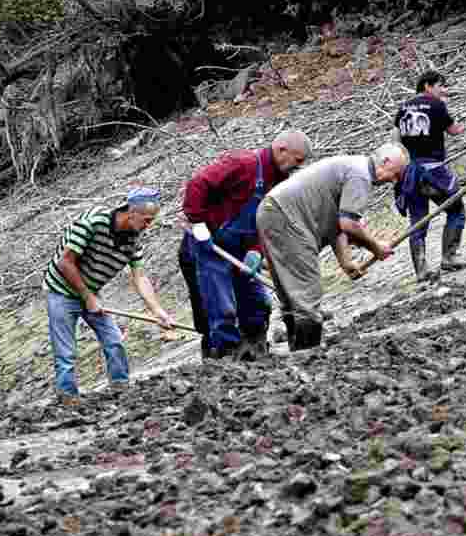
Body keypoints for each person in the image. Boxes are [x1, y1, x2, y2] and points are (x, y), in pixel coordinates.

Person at [256, 143, 408, 350]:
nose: (394, 180)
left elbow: (337, 226)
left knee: (293, 293)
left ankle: (295, 360)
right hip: (286, 217)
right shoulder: (361, 176)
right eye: (396, 174)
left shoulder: (353, 167)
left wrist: (346, 262)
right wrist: (375, 247)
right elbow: (349, 225)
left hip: (274, 212)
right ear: (386, 162)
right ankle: (307, 357)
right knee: (307, 293)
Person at [178, 130, 311, 361]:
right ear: (281, 150)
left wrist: (256, 250)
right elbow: (197, 185)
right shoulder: (243, 163)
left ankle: (256, 349)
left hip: (241, 247)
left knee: (258, 303)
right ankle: (225, 356)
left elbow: (264, 222)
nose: (297, 167)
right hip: (209, 245)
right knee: (222, 307)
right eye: (297, 160)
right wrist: (198, 223)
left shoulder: (279, 184)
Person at [43, 187, 175, 402]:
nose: (149, 226)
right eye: (147, 220)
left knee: (114, 341)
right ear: (131, 212)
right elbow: (65, 263)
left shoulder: (133, 239)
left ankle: (121, 388)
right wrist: (87, 297)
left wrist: (157, 311)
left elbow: (139, 277)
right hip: (61, 291)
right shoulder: (92, 223)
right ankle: (68, 398)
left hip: (90, 292)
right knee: (66, 352)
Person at [392, 70, 466, 282]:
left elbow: (396, 139)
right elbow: (454, 130)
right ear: (428, 86)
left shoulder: (403, 108)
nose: (444, 90)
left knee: (418, 222)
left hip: (411, 172)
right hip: (434, 170)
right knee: (456, 209)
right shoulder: (437, 105)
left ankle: (420, 270)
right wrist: (465, 123)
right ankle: (449, 257)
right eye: (441, 85)